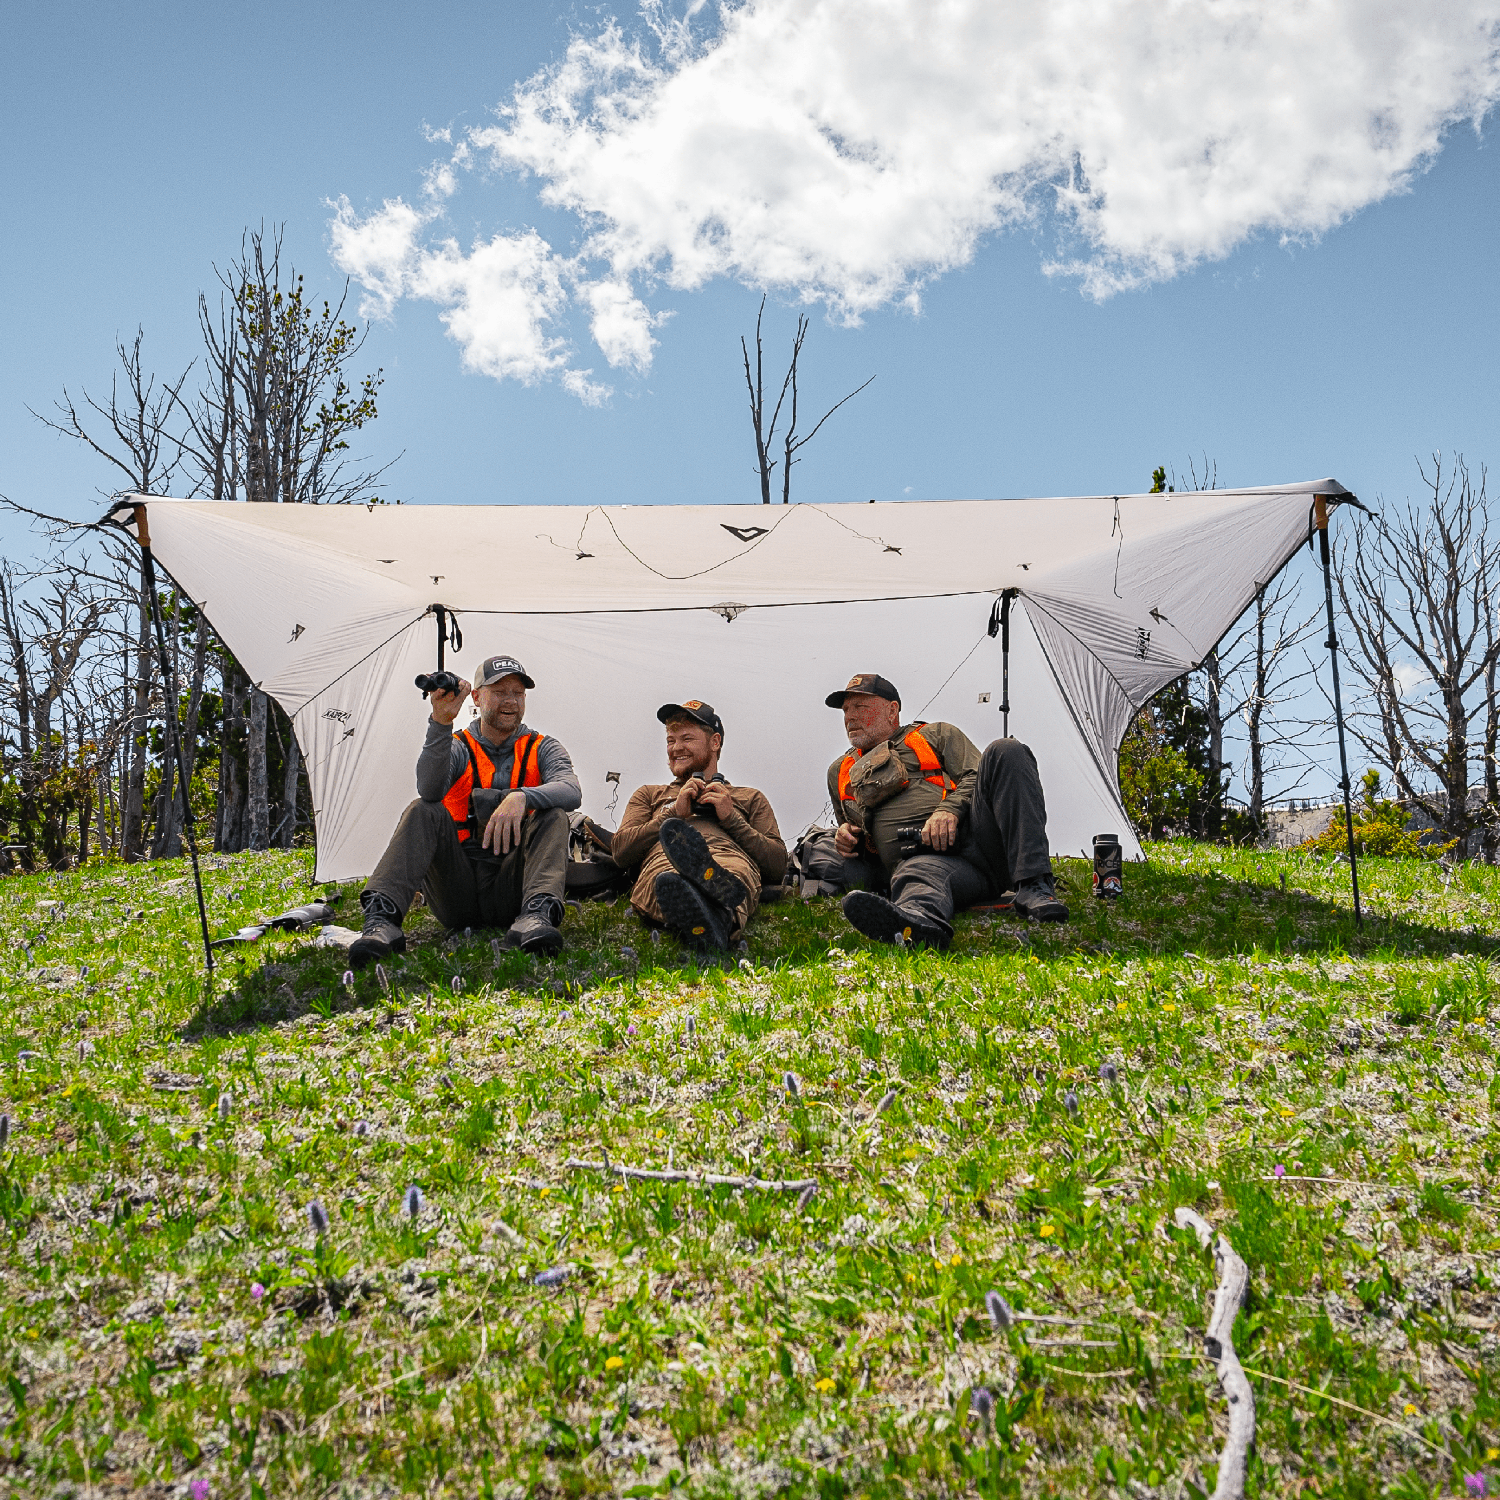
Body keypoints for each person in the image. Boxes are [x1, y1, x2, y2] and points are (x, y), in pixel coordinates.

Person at [349, 654, 581, 967]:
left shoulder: (543, 747)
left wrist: (521, 797)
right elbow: (429, 789)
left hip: (515, 891)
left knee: (554, 814)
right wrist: (440, 723)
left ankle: (538, 916)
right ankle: (381, 922)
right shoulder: (458, 745)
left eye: (518, 693)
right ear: (476, 696)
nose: (510, 701)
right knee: (422, 809)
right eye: (499, 692)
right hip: (457, 890)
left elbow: (571, 790)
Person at [824, 672, 1068, 949]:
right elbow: (855, 834)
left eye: (861, 707)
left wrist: (949, 810)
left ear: (892, 710)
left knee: (1007, 750)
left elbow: (977, 774)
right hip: (925, 861)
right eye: (845, 710)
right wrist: (844, 837)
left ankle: (1034, 885)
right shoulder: (839, 772)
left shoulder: (935, 734)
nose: (850, 717)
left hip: (979, 843)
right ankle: (919, 924)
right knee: (917, 878)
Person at [612, 700, 787, 951]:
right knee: (667, 878)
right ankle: (717, 919)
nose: (676, 748)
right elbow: (620, 851)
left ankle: (704, 917)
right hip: (667, 857)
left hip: (726, 859)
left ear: (715, 742)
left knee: (732, 874)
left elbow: (777, 866)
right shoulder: (649, 794)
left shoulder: (749, 797)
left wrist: (731, 818)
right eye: (670, 741)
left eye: (686, 739)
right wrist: (672, 815)